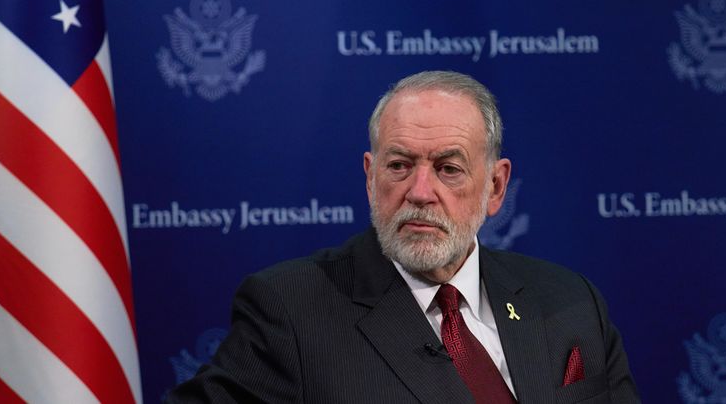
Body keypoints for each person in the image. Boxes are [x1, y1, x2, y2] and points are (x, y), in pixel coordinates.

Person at [167, 71, 639, 403]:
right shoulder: (290, 311)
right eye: (399, 165)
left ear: (495, 187)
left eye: (448, 169)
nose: (420, 192)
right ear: (371, 176)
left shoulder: (570, 300)